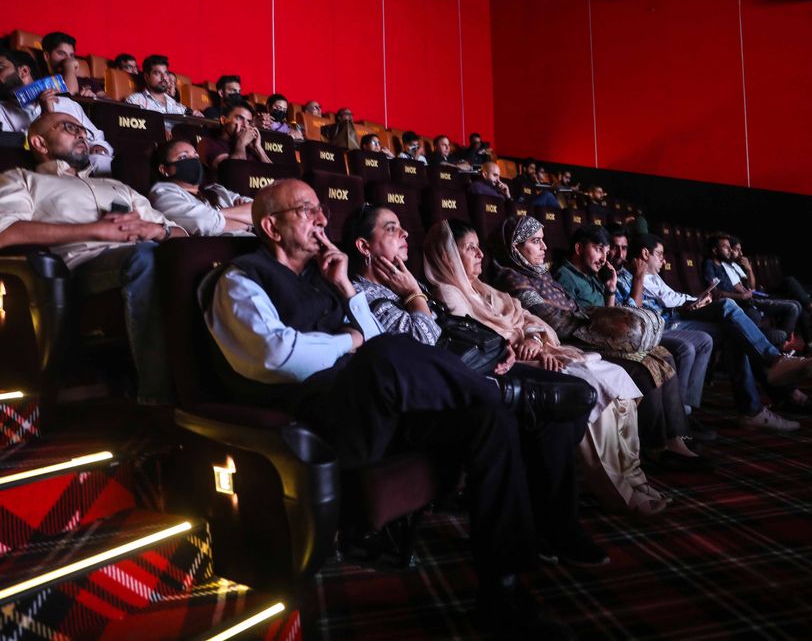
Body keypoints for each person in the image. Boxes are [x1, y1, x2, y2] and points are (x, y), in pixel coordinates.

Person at [204, 180, 591, 636]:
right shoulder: (238, 279)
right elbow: (276, 355)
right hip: (320, 425)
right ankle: (501, 391)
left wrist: (347, 289)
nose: (323, 220)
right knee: (384, 354)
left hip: (379, 408)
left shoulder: (326, 279)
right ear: (270, 226)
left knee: (489, 421)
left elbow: (379, 338)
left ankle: (502, 591)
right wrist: (348, 339)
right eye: (307, 210)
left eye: (321, 209)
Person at [345, 204, 607, 567]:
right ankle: (553, 529)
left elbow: (455, 331)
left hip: (472, 369)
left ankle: (552, 525)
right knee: (554, 410)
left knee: (568, 401)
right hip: (440, 389)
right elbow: (426, 342)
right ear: (364, 247)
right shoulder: (365, 294)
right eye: (391, 229)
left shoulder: (408, 282)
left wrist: (499, 348)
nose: (406, 234)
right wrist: (413, 296)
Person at [425, 218, 672, 515]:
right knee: (591, 390)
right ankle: (616, 489)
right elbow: (482, 340)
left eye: (479, 248)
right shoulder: (451, 294)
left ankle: (633, 475)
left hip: (541, 349)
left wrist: (534, 337)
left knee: (617, 379)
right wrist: (527, 343)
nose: (480, 255)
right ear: (448, 255)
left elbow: (526, 318)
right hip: (512, 364)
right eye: (470, 249)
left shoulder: (481, 287)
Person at [495, 216, 710, 471]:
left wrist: (604, 315)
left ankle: (675, 437)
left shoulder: (542, 275)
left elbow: (576, 311)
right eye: (535, 241)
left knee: (661, 354)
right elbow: (550, 318)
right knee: (642, 367)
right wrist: (600, 324)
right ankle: (655, 446)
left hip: (584, 332)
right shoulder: (513, 277)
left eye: (543, 240)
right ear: (515, 246)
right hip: (569, 341)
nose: (544, 247)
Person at [0, 112, 185, 404]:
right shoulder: (23, 179)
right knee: (145, 256)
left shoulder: (116, 186)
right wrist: (95, 230)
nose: (83, 134)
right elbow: (5, 231)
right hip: (78, 268)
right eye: (69, 128)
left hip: (142, 251)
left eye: (85, 129)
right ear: (39, 142)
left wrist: (157, 230)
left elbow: (184, 236)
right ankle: (157, 399)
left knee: (185, 259)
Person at [620, 234, 812, 430]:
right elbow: (635, 315)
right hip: (668, 323)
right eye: (660, 254)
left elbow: (673, 296)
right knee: (728, 309)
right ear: (646, 254)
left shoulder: (654, 277)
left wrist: (695, 301)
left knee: (733, 326)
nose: (664, 260)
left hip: (679, 315)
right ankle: (770, 377)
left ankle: (761, 400)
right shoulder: (627, 277)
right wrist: (689, 302)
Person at [608, 229, 716, 441]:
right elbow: (631, 315)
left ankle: (684, 410)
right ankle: (677, 419)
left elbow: (667, 299)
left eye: (623, 248)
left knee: (705, 339)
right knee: (687, 347)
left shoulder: (634, 274)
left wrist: (690, 303)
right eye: (614, 247)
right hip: (640, 331)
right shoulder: (620, 276)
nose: (619, 253)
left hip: (659, 322)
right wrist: (638, 278)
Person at [708, 234, 812, 360]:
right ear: (715, 250)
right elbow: (719, 291)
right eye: (733, 249)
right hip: (748, 300)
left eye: (732, 248)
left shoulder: (731, 266)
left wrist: (749, 270)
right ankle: (780, 350)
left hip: (753, 296)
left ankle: (784, 346)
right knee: (792, 299)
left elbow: (750, 287)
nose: (737, 252)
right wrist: (744, 294)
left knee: (795, 301)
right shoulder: (715, 265)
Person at [0, 49, 106, 148]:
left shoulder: (68, 103)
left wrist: (99, 146)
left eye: (1, 67)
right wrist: (46, 116)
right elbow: (16, 147)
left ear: (24, 71)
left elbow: (97, 138)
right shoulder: (2, 110)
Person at [149, 140, 255, 236]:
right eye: (183, 157)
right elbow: (203, 222)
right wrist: (247, 223)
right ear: (164, 170)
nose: (194, 161)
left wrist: (217, 213)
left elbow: (260, 210)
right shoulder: (162, 192)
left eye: (196, 157)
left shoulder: (217, 190)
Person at [731, 237, 812, 329]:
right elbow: (750, 289)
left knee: (789, 281)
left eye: (741, 250)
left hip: (759, 292)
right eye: (737, 250)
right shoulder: (724, 267)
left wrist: (749, 269)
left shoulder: (736, 266)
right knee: (796, 302)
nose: (741, 253)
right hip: (753, 298)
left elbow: (751, 286)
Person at [200, 100, 272, 169]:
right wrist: (241, 143)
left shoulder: (251, 147)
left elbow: (274, 176)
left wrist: (258, 148)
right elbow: (236, 173)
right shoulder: (208, 143)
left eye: (248, 122)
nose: (245, 125)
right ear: (223, 120)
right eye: (239, 118)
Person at [125, 55, 198, 116]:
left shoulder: (175, 103)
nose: (164, 77)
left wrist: (196, 115)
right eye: (158, 73)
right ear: (146, 77)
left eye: (165, 73)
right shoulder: (135, 101)